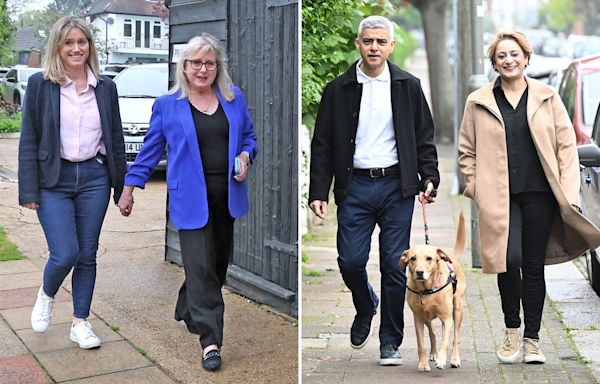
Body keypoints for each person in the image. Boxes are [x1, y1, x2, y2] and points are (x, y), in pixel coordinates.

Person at [117, 33, 258, 372]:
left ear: (217, 66)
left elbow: (250, 138)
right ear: (184, 66)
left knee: (216, 267)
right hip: (189, 199)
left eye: (210, 63)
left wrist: (245, 155)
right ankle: (210, 341)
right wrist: (130, 186)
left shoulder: (232, 97)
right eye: (196, 62)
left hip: (226, 197)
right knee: (199, 266)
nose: (203, 69)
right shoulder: (168, 104)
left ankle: (187, 303)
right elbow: (150, 149)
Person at [458, 31, 600, 365]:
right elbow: (466, 151)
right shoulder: (478, 100)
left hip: (540, 195)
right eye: (501, 56)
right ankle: (511, 329)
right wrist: (475, 187)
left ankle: (533, 340)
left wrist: (569, 194)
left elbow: (566, 150)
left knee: (533, 267)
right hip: (498, 197)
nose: (508, 60)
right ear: (494, 63)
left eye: (514, 54)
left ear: (526, 58)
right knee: (508, 260)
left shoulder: (548, 97)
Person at [308, 15, 439, 365]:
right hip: (355, 187)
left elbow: (424, 137)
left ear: (391, 46)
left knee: (395, 268)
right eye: (368, 41)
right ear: (358, 44)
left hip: (398, 187)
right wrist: (318, 192)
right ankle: (365, 304)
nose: (374, 47)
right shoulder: (338, 89)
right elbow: (322, 144)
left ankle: (390, 342)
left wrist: (430, 177)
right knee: (350, 261)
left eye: (381, 41)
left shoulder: (408, 85)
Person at [18, 16, 126, 349]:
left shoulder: (106, 88)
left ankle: (81, 323)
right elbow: (29, 139)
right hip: (54, 179)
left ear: (89, 46)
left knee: (87, 254)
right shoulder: (41, 84)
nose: (76, 48)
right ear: (58, 48)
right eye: (69, 43)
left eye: (82, 42)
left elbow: (116, 140)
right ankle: (47, 293)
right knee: (65, 253)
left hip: (94, 177)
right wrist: (28, 190)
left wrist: (122, 189)